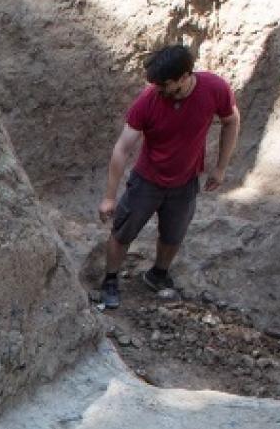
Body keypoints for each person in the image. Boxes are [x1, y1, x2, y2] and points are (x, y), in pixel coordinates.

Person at [97, 45, 242, 309]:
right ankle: (110, 279)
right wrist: (109, 196)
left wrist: (221, 167)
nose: (161, 91)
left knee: (173, 234)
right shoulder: (148, 101)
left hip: (185, 182)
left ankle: (158, 274)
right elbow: (122, 147)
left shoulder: (214, 88)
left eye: (166, 85)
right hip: (147, 180)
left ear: (186, 75)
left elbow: (231, 120)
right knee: (122, 231)